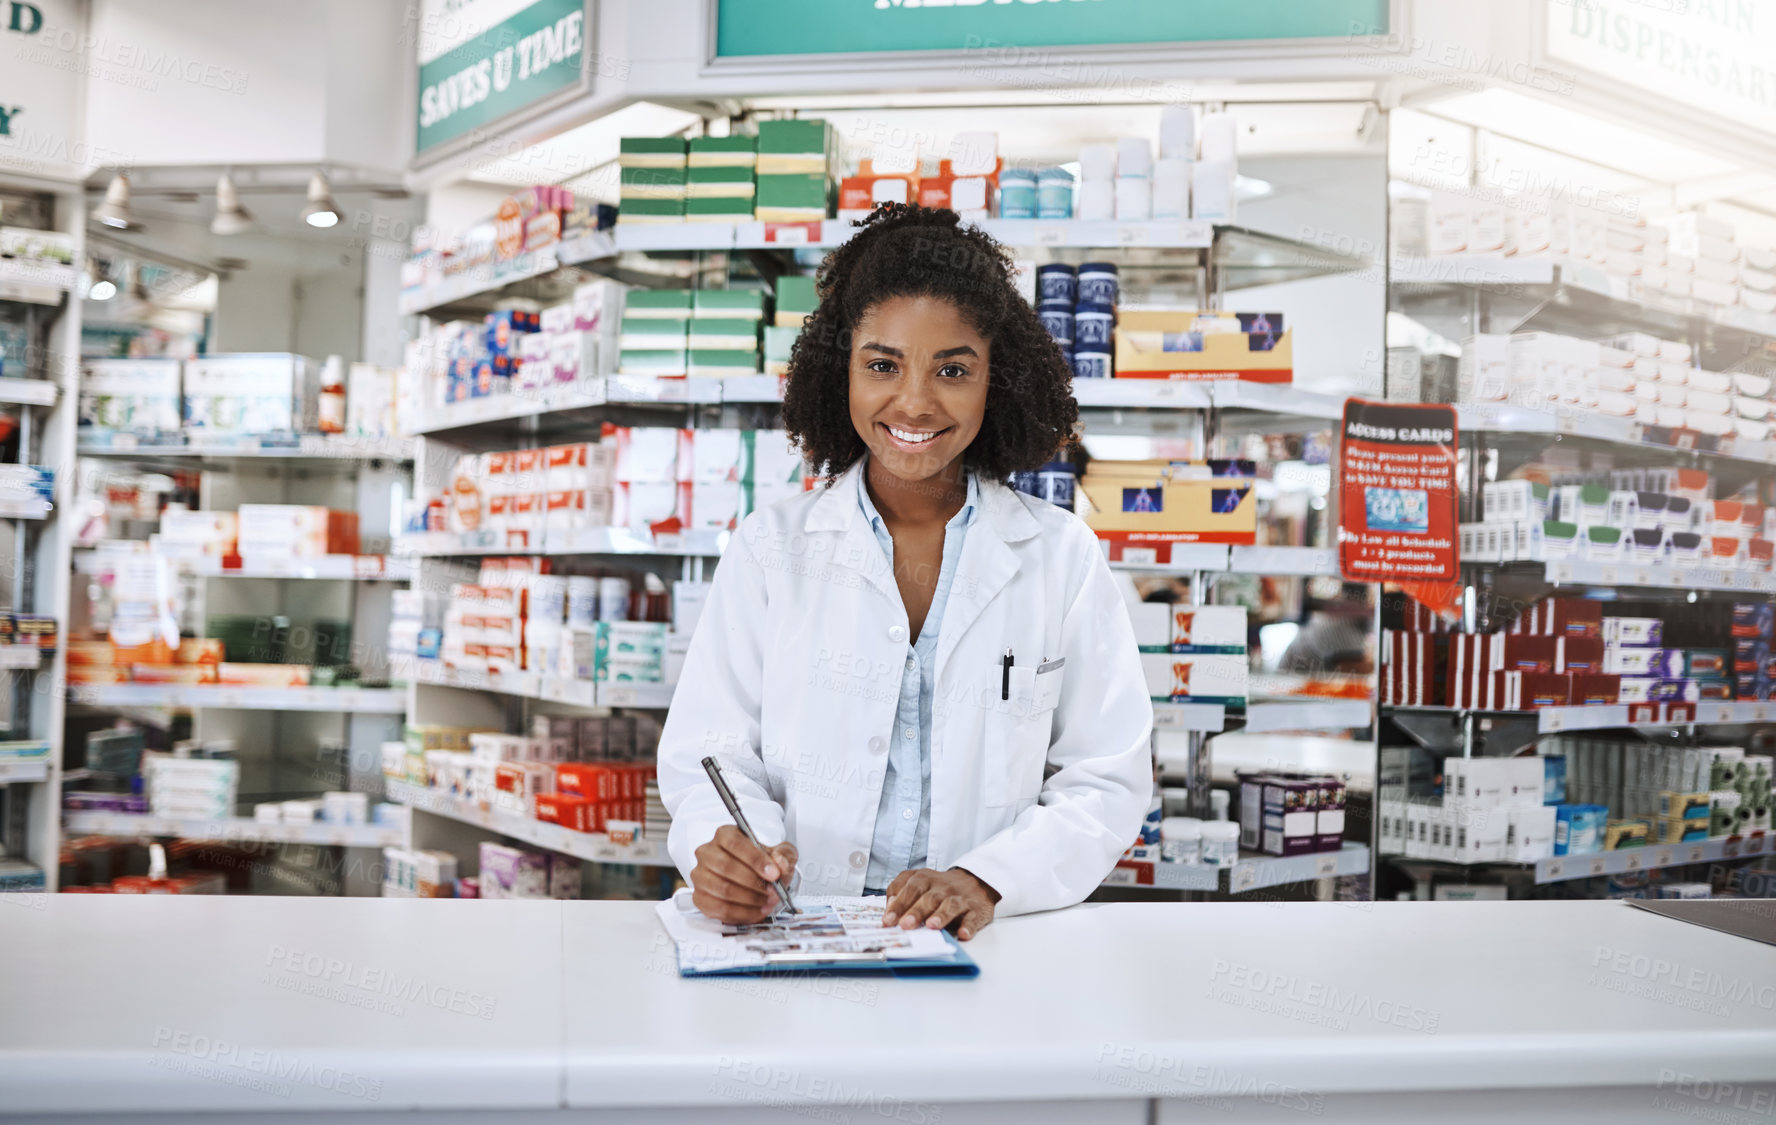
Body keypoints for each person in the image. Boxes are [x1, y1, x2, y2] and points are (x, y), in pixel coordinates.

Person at [656, 204, 1153, 940]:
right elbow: (711, 755)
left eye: (953, 369)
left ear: (997, 380)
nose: (915, 401)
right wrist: (731, 852)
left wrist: (987, 878)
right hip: (795, 933)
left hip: (987, 944)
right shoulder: (770, 549)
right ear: (840, 370)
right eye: (882, 364)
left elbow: (1106, 776)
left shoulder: (1060, 555)